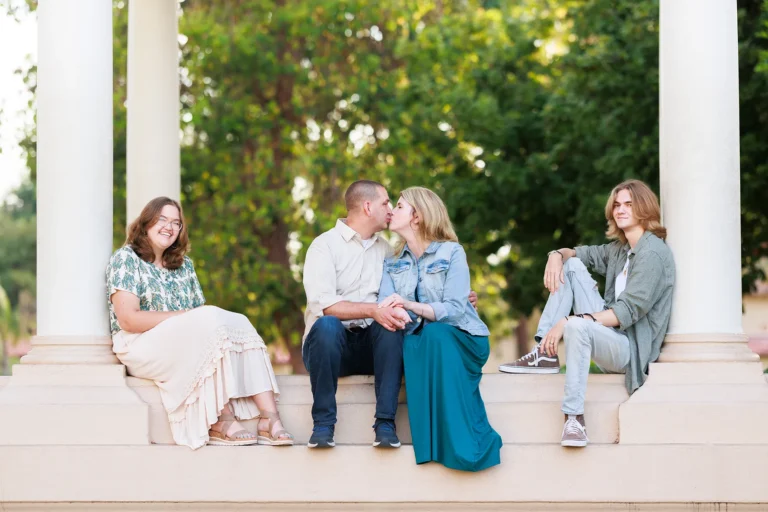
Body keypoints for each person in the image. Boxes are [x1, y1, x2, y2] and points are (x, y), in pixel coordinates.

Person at [106, 196, 294, 449]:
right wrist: (182, 317)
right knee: (207, 320)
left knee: (240, 322)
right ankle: (221, 419)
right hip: (138, 343)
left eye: (176, 223)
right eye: (162, 219)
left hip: (180, 339)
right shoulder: (126, 259)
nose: (169, 227)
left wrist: (189, 320)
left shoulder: (184, 266)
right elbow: (128, 319)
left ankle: (270, 419)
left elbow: (203, 324)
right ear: (146, 222)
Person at [499, 180, 675, 448]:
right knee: (572, 266)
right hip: (608, 335)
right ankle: (545, 353)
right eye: (617, 205)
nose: (620, 210)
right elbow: (580, 254)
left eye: (629, 204)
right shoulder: (620, 249)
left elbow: (627, 311)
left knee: (577, 327)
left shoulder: (652, 253)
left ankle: (574, 418)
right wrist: (556, 255)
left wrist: (571, 320)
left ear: (644, 208)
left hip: (631, 350)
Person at [378, 187, 502, 472]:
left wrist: (409, 304)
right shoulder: (391, 263)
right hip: (421, 341)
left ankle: (468, 446)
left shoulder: (452, 252)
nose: (392, 211)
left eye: (399, 206)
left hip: (464, 338)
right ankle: (431, 447)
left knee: (435, 333)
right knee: (415, 342)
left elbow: (456, 309)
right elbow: (387, 306)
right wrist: (398, 309)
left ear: (417, 216)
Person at [301, 180, 411, 449]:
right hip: (329, 350)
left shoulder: (386, 250)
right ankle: (323, 425)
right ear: (367, 206)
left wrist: (458, 298)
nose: (389, 209)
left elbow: (410, 291)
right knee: (328, 324)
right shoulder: (324, 246)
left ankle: (385, 424)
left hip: (374, 348)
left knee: (390, 323)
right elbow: (325, 305)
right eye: (385, 202)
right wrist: (373, 309)